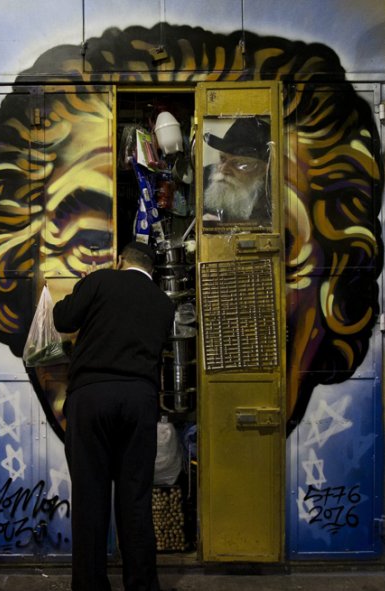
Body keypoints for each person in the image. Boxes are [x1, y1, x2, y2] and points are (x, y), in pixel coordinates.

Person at [53, 241, 175, 591]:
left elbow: (63, 318)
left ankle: (91, 585)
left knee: (91, 498)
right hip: (139, 400)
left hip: (92, 396)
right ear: (151, 270)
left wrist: (81, 287)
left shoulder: (101, 281)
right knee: (134, 498)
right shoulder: (163, 304)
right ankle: (141, 585)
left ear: (121, 260)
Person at [201, 117, 271, 224]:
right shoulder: (203, 180)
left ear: (262, 170)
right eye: (222, 159)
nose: (223, 169)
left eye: (237, 163)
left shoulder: (273, 201)